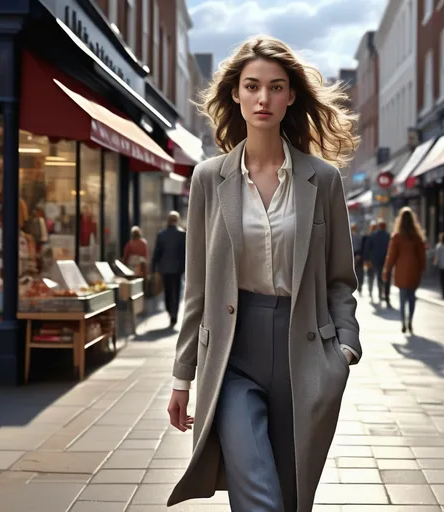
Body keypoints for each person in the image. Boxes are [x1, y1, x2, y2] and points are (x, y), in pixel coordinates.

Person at [166, 35, 362, 511]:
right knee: (259, 496)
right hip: (232, 355)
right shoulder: (210, 179)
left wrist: (346, 348)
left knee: (293, 498)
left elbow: (340, 279)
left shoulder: (324, 180)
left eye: (276, 87)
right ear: (235, 93)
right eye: (252, 86)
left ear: (291, 95)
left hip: (306, 352)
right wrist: (181, 376)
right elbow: (197, 286)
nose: (263, 98)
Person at [383, 207, 426, 334]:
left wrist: (387, 270)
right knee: (412, 297)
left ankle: (403, 321)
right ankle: (410, 321)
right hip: (414, 270)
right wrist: (423, 268)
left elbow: (391, 256)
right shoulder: (417, 237)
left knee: (402, 298)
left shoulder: (397, 236)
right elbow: (422, 255)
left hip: (401, 271)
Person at [152, 211, 186, 328]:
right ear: (177, 220)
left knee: (167, 291)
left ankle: (169, 310)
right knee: (176, 292)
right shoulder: (182, 234)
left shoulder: (162, 234)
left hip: (165, 268)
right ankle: (174, 314)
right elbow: (185, 253)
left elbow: (157, 252)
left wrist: (153, 267)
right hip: (178, 269)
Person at [366, 218, 391, 306]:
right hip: (385, 260)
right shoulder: (388, 235)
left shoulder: (373, 235)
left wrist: (368, 259)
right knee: (384, 278)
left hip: (375, 261)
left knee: (376, 277)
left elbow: (368, 248)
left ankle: (377, 293)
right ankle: (384, 295)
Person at [363, 220, 378, 301]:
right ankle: (370, 291)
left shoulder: (375, 236)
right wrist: (367, 260)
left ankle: (372, 291)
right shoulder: (369, 237)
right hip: (371, 261)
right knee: (371, 277)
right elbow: (366, 250)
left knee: (372, 277)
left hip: (375, 261)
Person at [351, 223, 364, 295]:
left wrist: (359, 255)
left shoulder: (360, 236)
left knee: (359, 272)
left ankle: (359, 287)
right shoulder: (349, 236)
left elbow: (362, 246)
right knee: (353, 271)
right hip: (352, 255)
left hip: (358, 254)